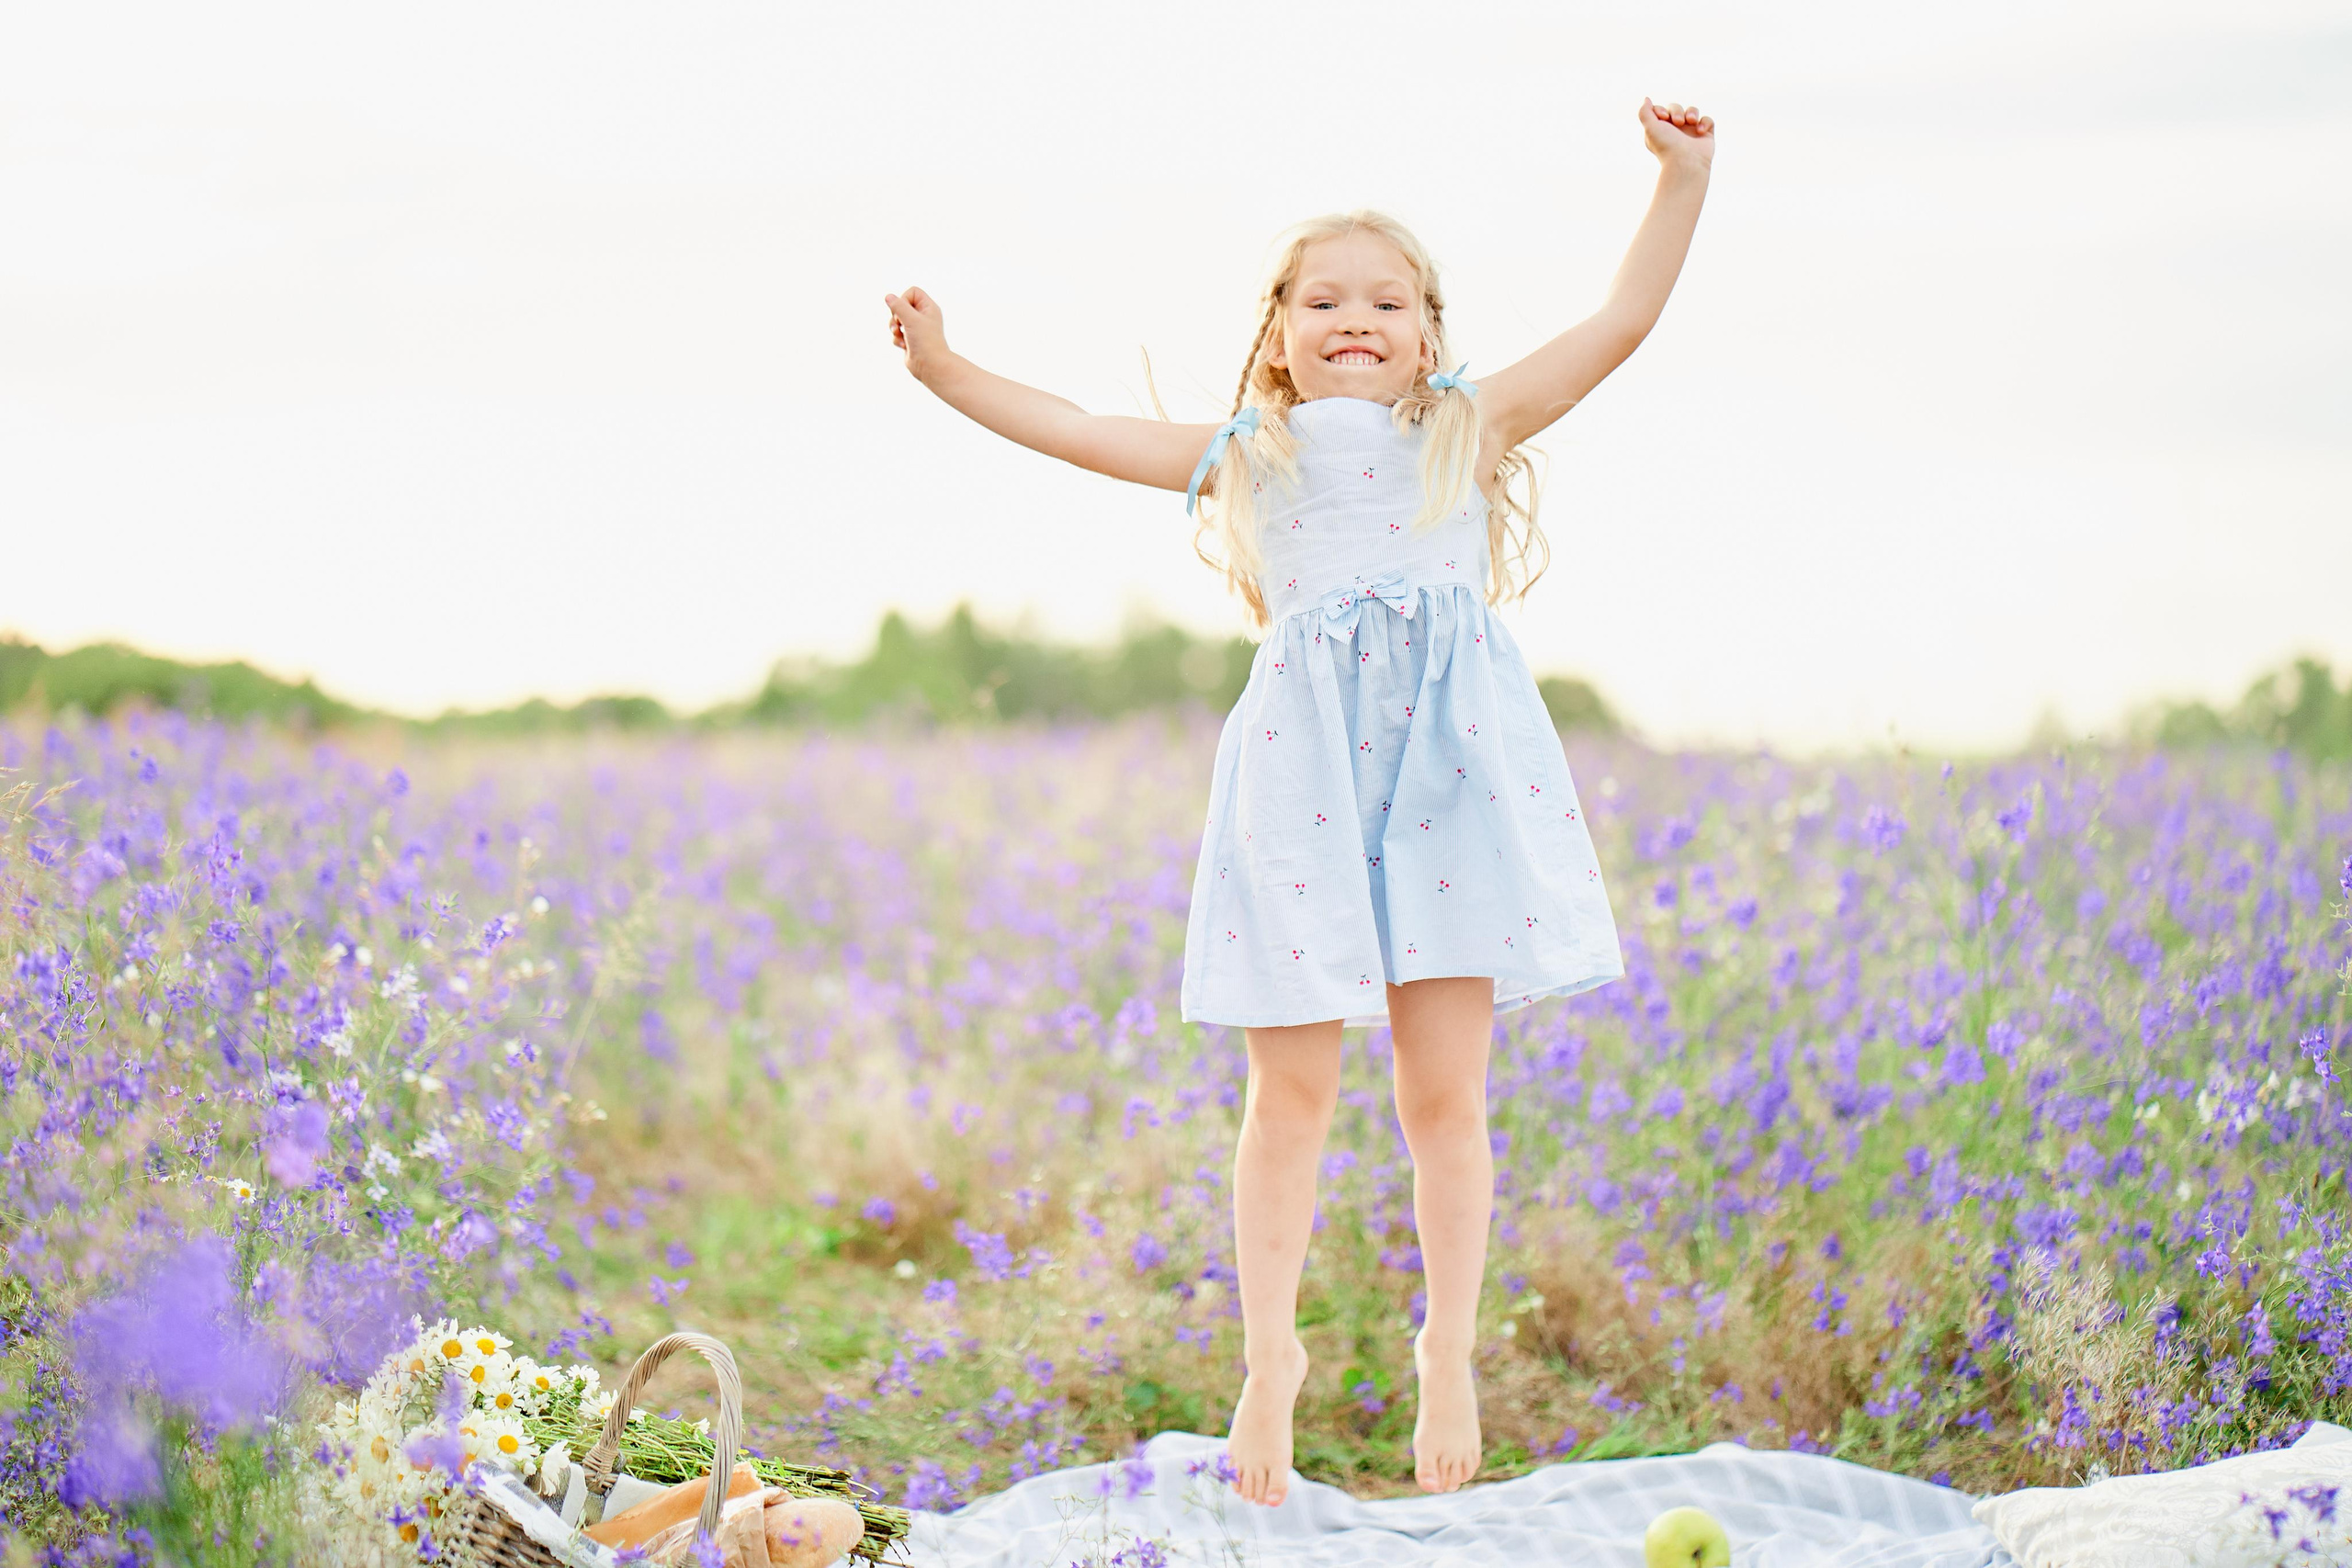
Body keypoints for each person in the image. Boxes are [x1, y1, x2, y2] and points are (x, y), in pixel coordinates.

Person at [883, 96, 1714, 1507]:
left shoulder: (1467, 427)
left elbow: (1619, 324)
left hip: (1450, 794)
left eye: (1388, 299)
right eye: (1323, 296)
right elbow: (1076, 429)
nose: (1355, 315)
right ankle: (1271, 1360)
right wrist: (947, 370)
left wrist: (1681, 182)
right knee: (1292, 1086)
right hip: (1301, 793)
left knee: (1443, 1094)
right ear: (1278, 332)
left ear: (1431, 336)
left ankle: (1446, 1348)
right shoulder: (1248, 453)